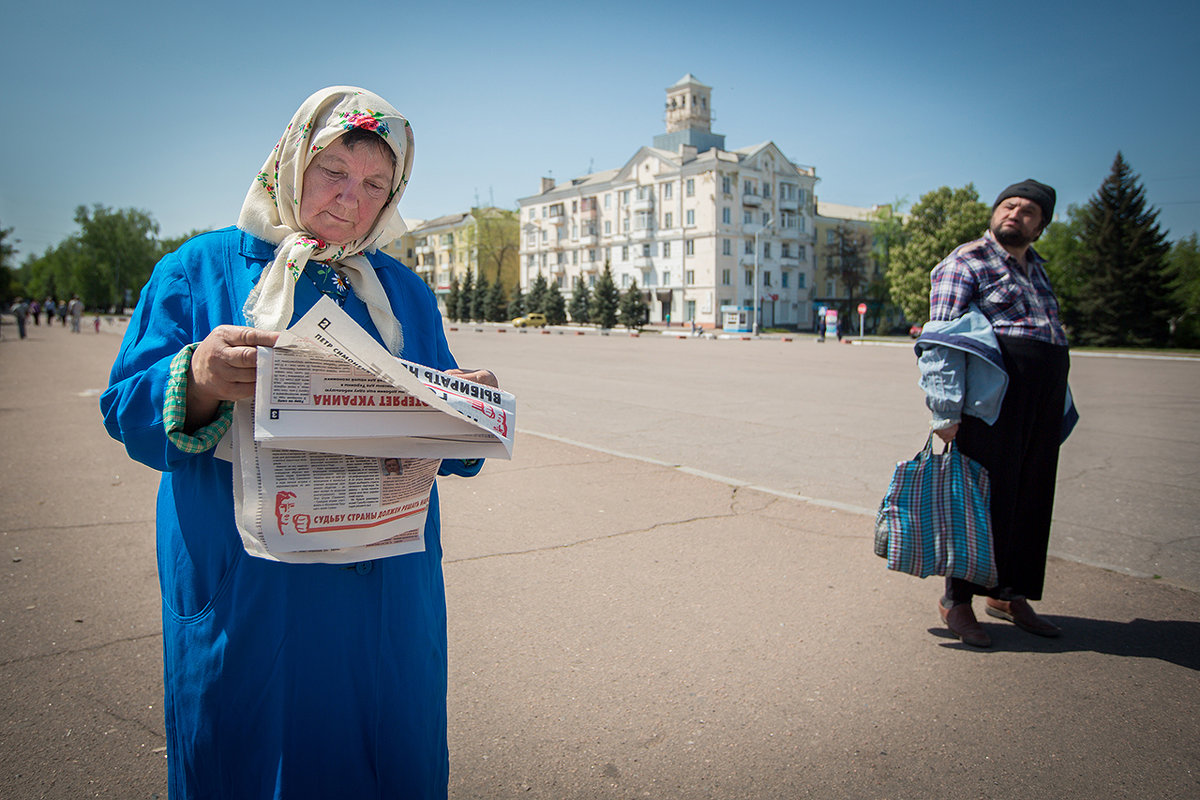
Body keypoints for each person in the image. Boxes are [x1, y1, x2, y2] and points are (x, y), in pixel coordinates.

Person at [101, 87, 497, 799]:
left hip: (386, 597)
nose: (352, 199)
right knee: (249, 756)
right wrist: (200, 375)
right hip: (252, 590)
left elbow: (447, 442)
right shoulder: (198, 270)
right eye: (333, 170)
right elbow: (123, 408)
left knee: (388, 757)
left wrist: (469, 406)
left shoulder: (404, 291)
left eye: (376, 184)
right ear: (291, 161)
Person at [916, 179, 1075, 648]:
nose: (1015, 215)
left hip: (1039, 401)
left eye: (1028, 211)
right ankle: (957, 600)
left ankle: (1009, 593)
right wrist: (944, 409)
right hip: (991, 403)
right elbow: (940, 339)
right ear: (994, 212)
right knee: (980, 501)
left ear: (1040, 225)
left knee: (1029, 497)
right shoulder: (967, 261)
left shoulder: (1038, 268)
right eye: (1009, 205)